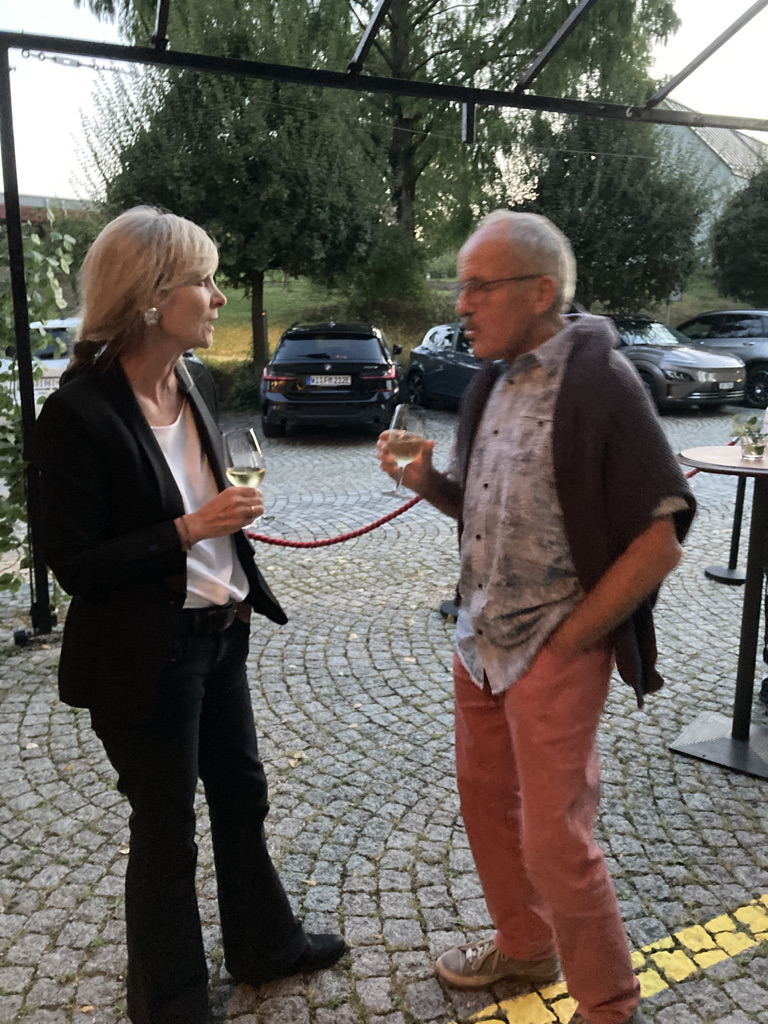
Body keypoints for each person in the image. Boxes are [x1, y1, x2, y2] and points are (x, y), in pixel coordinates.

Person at [377, 211, 696, 1024]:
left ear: (541, 291)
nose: (462, 304)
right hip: (477, 642)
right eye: (462, 286)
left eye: (480, 286)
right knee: (487, 807)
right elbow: (485, 512)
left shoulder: (602, 384)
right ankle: (524, 946)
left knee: (557, 842)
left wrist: (574, 639)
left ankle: (609, 1006)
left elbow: (661, 539)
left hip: (554, 648)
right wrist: (427, 483)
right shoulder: (490, 381)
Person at [33, 207, 347, 1024]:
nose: (218, 297)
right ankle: (169, 1005)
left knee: (243, 796)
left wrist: (220, 541)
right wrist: (188, 528)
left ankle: (264, 945)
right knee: (166, 830)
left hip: (220, 632)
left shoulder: (194, 382)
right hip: (147, 655)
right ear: (149, 297)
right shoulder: (77, 414)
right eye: (203, 281)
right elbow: (74, 565)